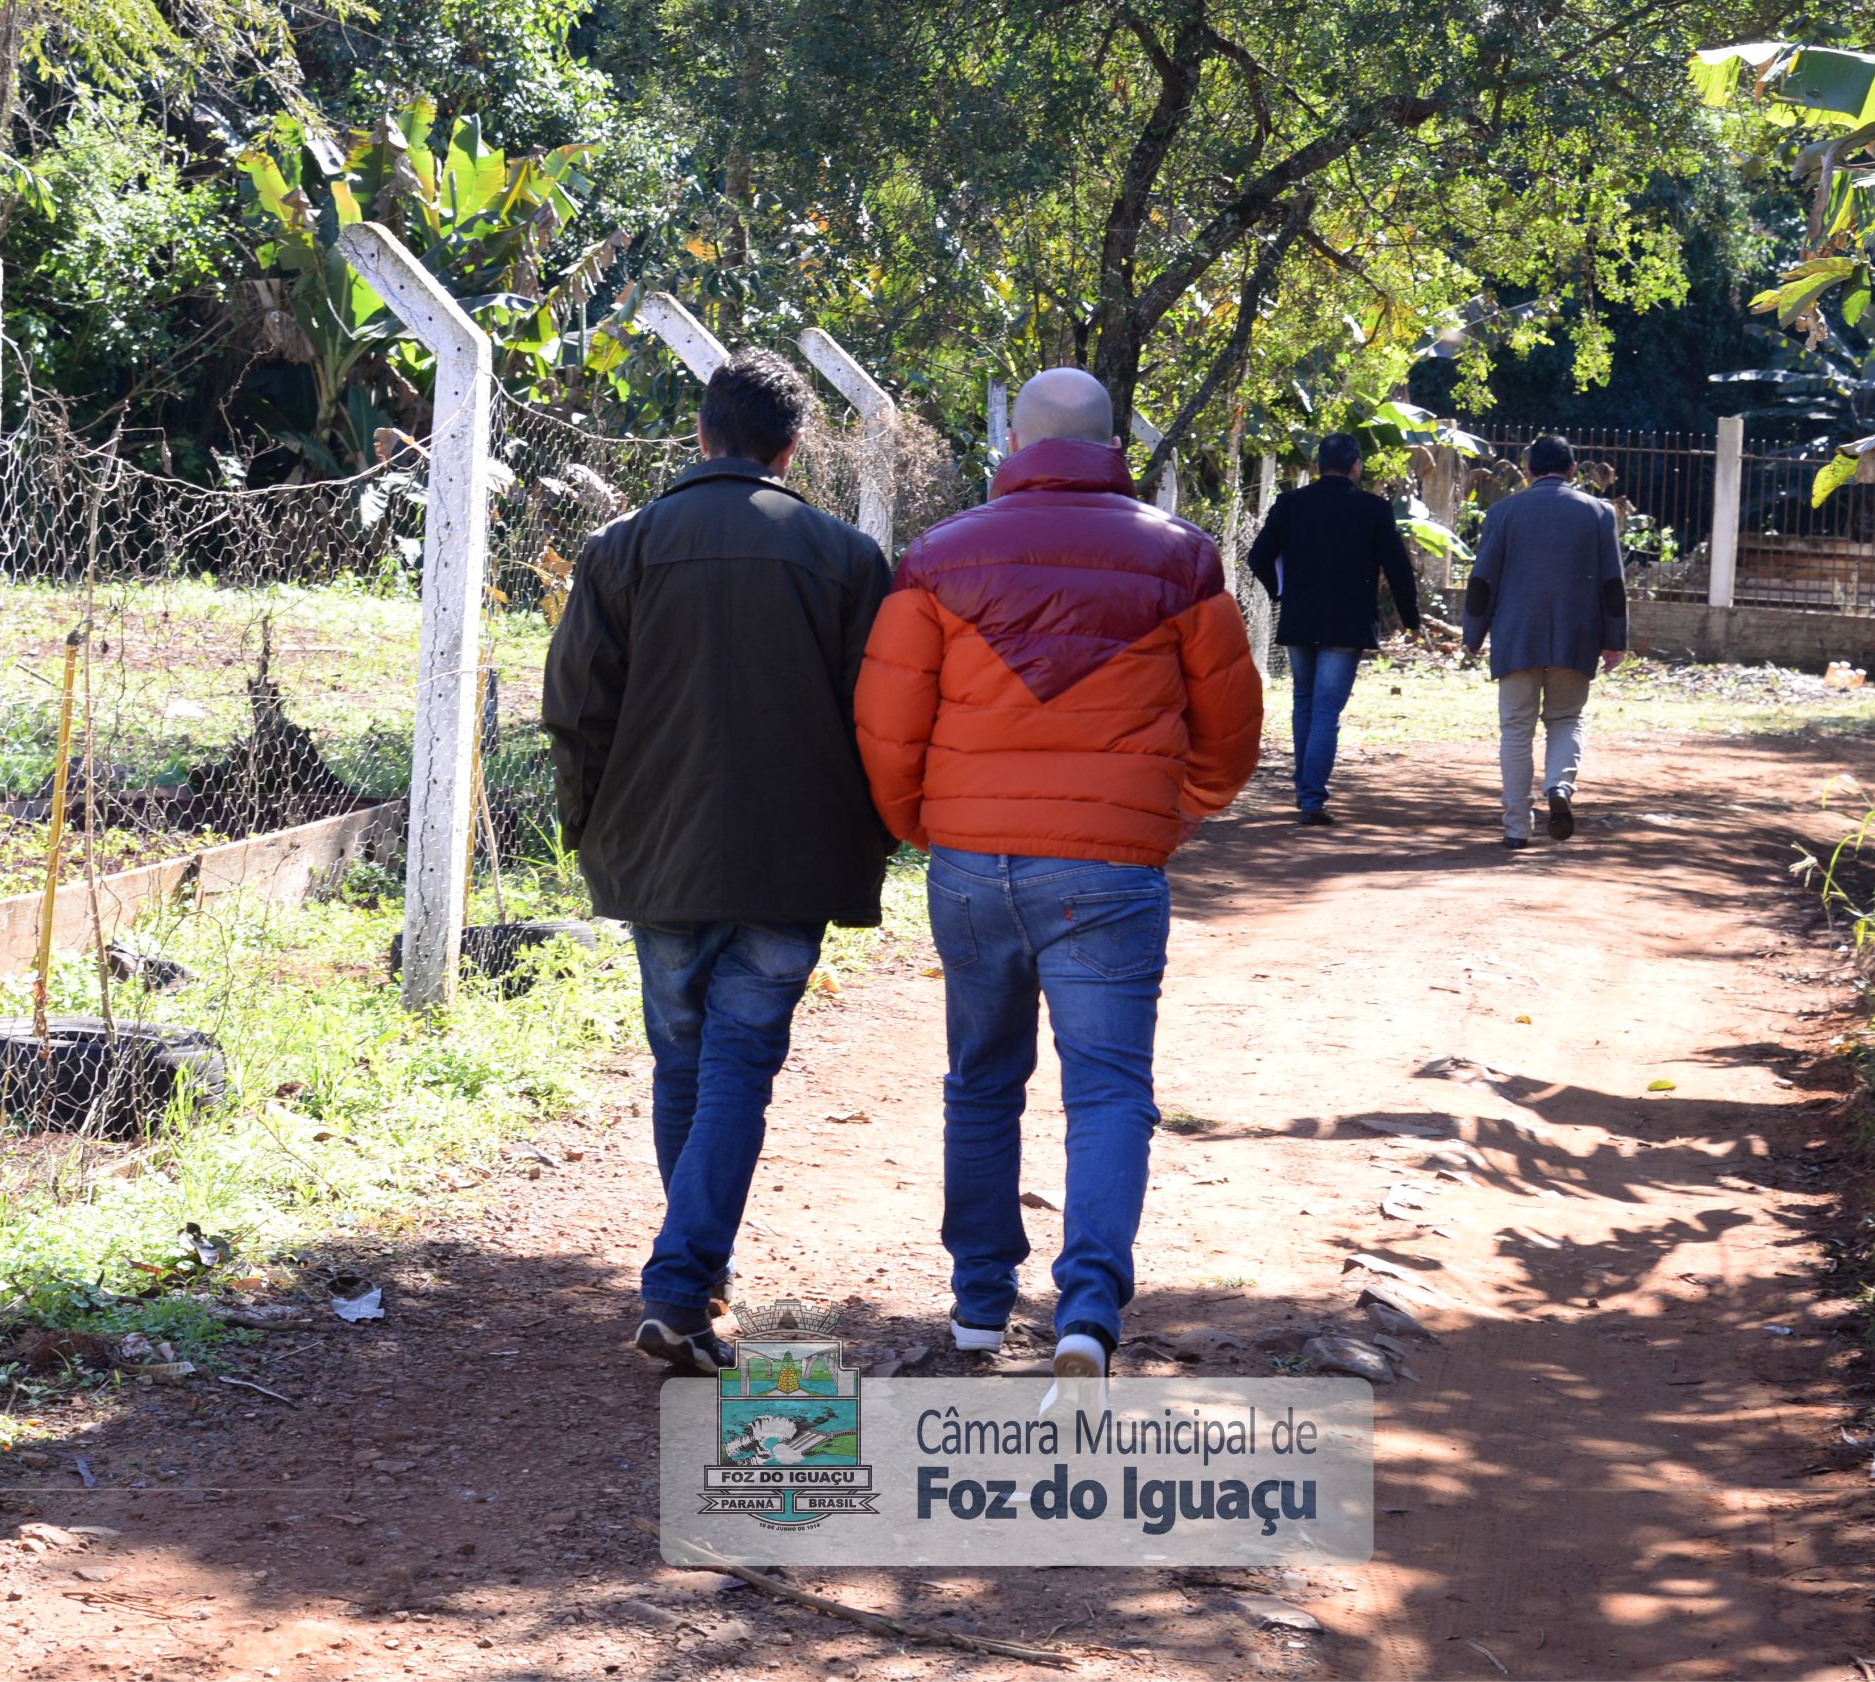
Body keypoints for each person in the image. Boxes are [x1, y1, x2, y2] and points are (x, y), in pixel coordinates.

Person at [853, 368, 1262, 1379]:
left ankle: (978, 1309)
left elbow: (889, 722)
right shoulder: (1180, 558)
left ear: (1016, 444)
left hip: (969, 863)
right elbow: (1232, 729)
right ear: (1110, 441)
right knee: (1110, 1090)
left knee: (981, 1081)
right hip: (1111, 868)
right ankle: (1086, 1310)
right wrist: (1173, 813)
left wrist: (926, 823)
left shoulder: (939, 557)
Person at [543, 348, 896, 1373]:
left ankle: (693, 1276)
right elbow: (879, 715)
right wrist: (871, 832)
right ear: (791, 449)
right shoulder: (843, 555)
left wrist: (593, 830)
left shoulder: (621, 548)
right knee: (737, 1065)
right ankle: (682, 1281)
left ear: (700, 434)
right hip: (792, 858)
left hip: (655, 851)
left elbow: (574, 709)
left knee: (684, 1060)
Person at [1459, 434, 1629, 849]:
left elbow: (1482, 580)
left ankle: (1517, 827)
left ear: (1530, 472)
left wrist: (1473, 634)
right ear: (1572, 470)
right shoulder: (1599, 513)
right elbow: (1612, 582)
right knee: (1567, 718)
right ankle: (1558, 788)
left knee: (1516, 729)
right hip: (1578, 636)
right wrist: (1615, 639)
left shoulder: (1502, 512)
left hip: (1516, 635)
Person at [1244, 432, 1423, 825]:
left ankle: (1305, 790)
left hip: (1300, 618)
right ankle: (1311, 798)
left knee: (1305, 702)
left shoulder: (1292, 503)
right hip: (1347, 622)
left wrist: (1279, 591)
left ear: (1318, 466)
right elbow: (1397, 568)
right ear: (1356, 466)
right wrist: (1411, 619)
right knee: (1326, 709)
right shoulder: (1373, 509)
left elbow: (1257, 556)